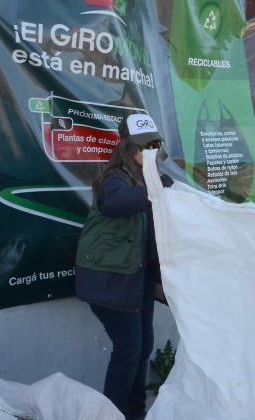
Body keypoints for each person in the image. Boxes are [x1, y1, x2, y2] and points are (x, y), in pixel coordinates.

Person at [75, 113, 172, 418]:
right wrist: (155, 191)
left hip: (137, 279)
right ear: (128, 149)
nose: (150, 153)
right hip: (110, 281)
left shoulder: (147, 180)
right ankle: (113, 414)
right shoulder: (112, 178)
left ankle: (135, 413)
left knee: (142, 349)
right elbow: (117, 203)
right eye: (144, 147)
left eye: (154, 146)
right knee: (128, 350)